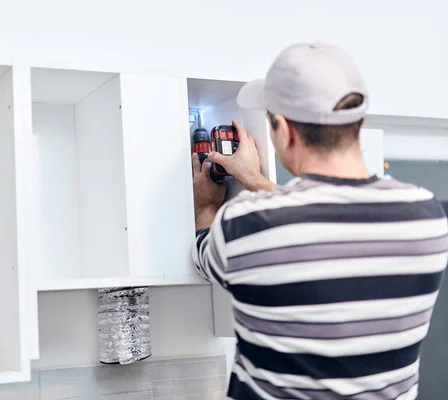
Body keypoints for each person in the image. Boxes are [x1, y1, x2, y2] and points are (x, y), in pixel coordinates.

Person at [191, 42, 448, 400]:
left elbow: (205, 252)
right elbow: (318, 221)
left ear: (284, 129)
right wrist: (255, 181)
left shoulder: (245, 224)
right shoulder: (428, 217)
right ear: (357, 120)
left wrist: (205, 202)